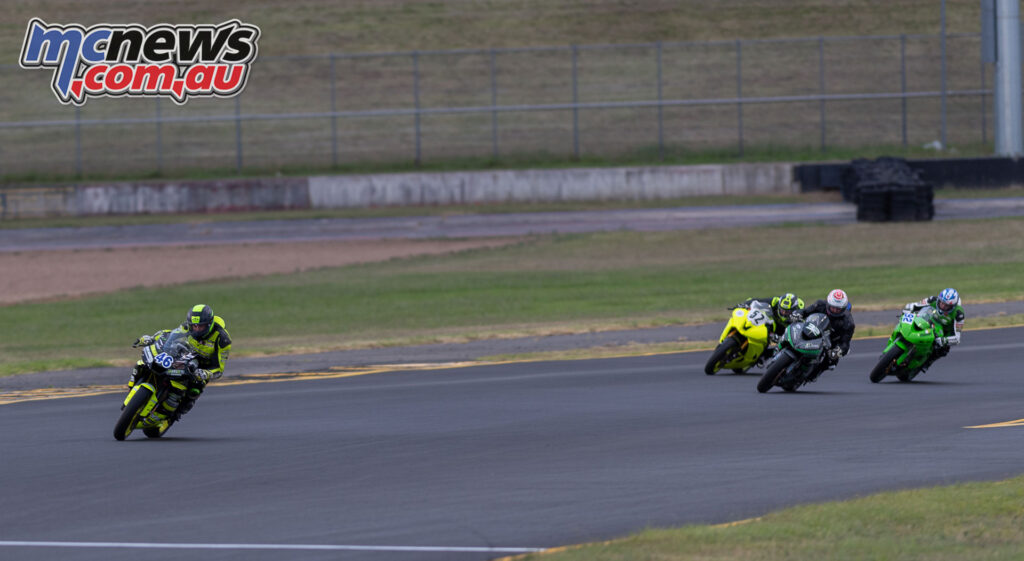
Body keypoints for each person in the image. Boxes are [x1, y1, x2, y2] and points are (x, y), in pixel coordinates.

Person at [130, 304, 232, 421]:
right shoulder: (187, 327)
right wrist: (152, 338)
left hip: (203, 366)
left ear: (209, 324)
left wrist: (206, 373)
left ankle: (174, 414)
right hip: (184, 355)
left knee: (194, 390)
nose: (197, 329)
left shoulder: (222, 339)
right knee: (142, 364)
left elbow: (219, 369)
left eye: (201, 326)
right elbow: (169, 333)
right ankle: (133, 389)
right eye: (194, 326)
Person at [902, 288, 964, 372]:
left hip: (945, 332)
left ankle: (927, 363)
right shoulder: (932, 299)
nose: (943, 306)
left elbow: (957, 338)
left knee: (942, 350)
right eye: (941, 303)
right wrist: (907, 310)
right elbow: (914, 305)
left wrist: (943, 340)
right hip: (930, 320)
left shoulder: (959, 314)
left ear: (953, 307)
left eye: (946, 306)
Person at [801, 289, 855, 380]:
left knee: (831, 362)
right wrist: (798, 314)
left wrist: (837, 351)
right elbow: (805, 312)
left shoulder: (848, 322)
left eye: (838, 309)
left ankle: (817, 372)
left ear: (843, 308)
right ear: (828, 303)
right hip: (813, 329)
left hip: (830, 341)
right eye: (833, 307)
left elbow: (845, 343)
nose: (834, 310)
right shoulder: (820, 304)